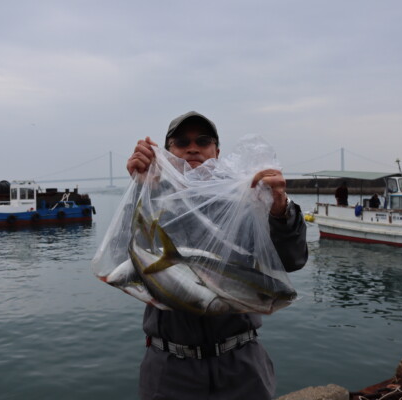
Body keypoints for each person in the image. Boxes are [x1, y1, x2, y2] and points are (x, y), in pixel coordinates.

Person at [126, 111, 308, 400]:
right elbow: (125, 255)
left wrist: (279, 207)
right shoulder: (152, 201)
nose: (192, 147)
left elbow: (291, 260)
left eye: (203, 140)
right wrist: (141, 187)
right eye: (181, 142)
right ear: (166, 153)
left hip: (241, 365)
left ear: (217, 152)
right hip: (169, 368)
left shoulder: (246, 204)